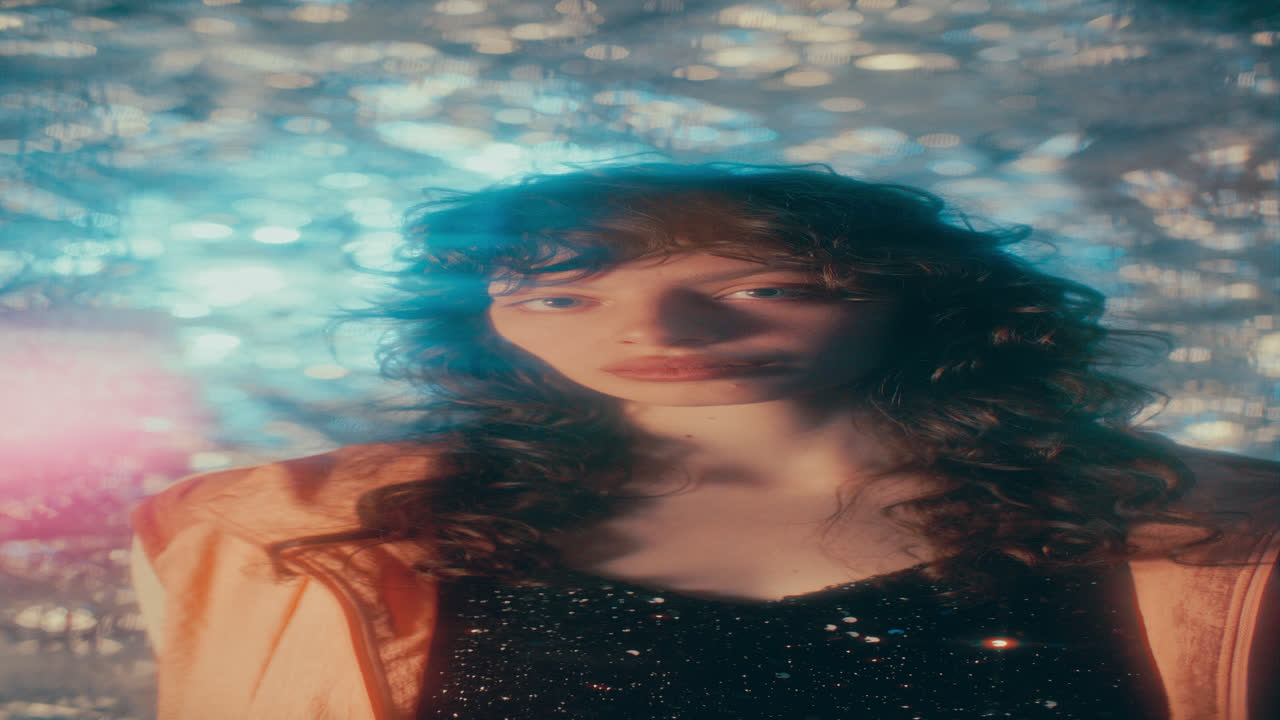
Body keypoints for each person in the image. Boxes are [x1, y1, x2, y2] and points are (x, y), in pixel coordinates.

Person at [129, 162, 1278, 720]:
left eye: (766, 286)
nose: (658, 332)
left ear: (918, 296)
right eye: (561, 298)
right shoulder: (275, 530)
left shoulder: (1230, 534)